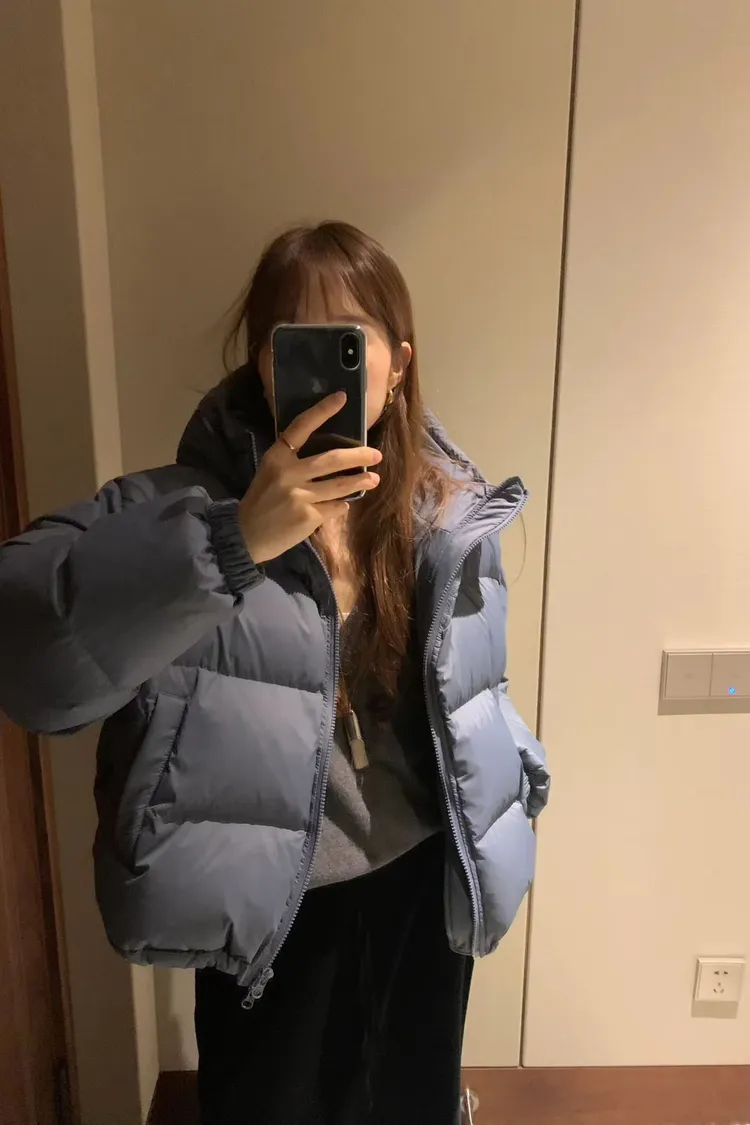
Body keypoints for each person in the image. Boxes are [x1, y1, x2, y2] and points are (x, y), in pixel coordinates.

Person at [0, 221, 550, 1125]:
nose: (326, 366)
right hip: (270, 918)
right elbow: (28, 657)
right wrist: (231, 543)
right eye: (294, 342)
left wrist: (519, 781)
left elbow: (474, 700)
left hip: (421, 893)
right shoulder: (179, 510)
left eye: (351, 340)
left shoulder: (448, 515)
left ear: (398, 365)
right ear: (262, 365)